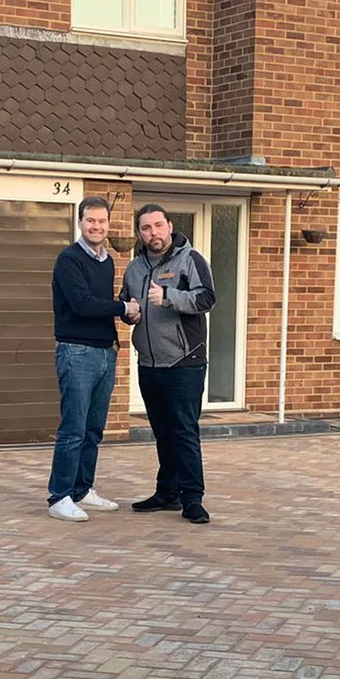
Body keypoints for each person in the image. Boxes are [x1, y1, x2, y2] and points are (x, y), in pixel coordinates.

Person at [122, 203, 215, 524]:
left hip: (184, 361)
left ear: (170, 226)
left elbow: (207, 298)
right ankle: (168, 492)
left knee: (184, 432)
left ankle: (193, 498)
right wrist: (128, 311)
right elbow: (127, 302)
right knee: (162, 432)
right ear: (139, 233)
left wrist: (170, 296)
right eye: (146, 228)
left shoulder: (190, 260)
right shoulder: (134, 268)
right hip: (149, 363)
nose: (154, 233)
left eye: (158, 226)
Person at [47, 197, 139, 521]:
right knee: (73, 428)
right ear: (80, 222)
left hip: (104, 353)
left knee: (93, 429)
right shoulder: (69, 260)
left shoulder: (107, 260)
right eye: (90, 221)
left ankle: (82, 491)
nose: (96, 226)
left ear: (109, 224)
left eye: (102, 221)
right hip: (76, 352)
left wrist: (126, 313)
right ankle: (59, 496)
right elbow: (83, 304)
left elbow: (102, 304)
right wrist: (121, 308)